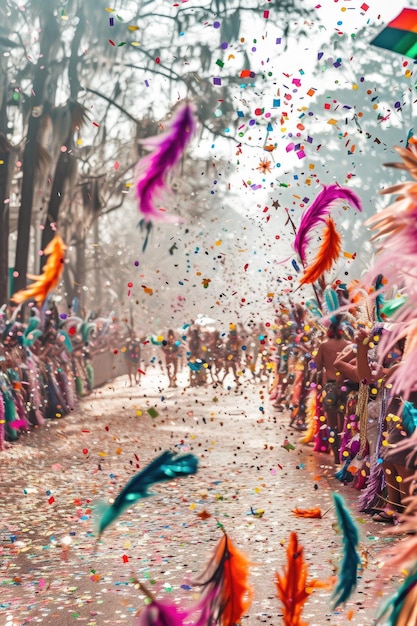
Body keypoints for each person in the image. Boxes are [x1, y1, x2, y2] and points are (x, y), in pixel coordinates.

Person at [312, 317, 350, 463]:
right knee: (344, 424)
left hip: (330, 388)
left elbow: (315, 366)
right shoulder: (349, 345)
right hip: (346, 387)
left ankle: (336, 456)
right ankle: (344, 455)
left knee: (332, 424)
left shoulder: (324, 345)